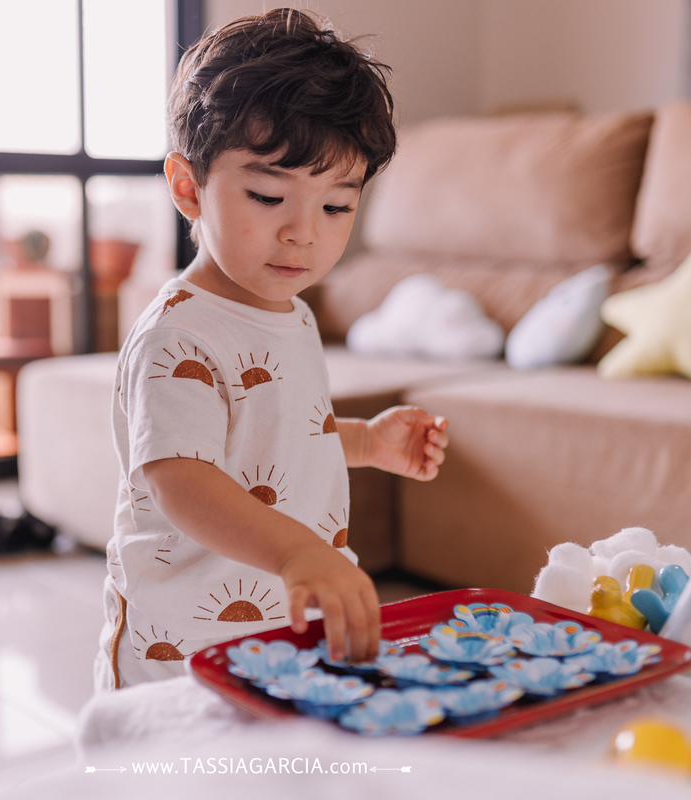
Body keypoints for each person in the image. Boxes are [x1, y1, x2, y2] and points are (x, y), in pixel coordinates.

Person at [95, 8, 449, 691]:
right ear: (188, 187)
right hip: (179, 653)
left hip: (272, 637)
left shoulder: (292, 315)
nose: (303, 234)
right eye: (267, 195)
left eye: (336, 207)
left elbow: (277, 439)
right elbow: (184, 480)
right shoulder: (180, 334)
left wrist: (367, 443)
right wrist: (298, 552)